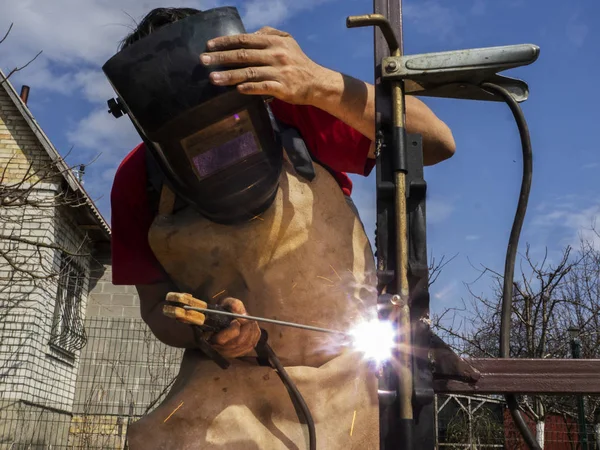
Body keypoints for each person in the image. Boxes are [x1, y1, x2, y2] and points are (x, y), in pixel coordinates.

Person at [109, 7, 455, 449]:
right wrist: (206, 327)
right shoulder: (139, 178)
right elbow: (157, 308)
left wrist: (320, 83)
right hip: (226, 383)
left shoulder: (298, 111)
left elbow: (436, 142)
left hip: (347, 371)